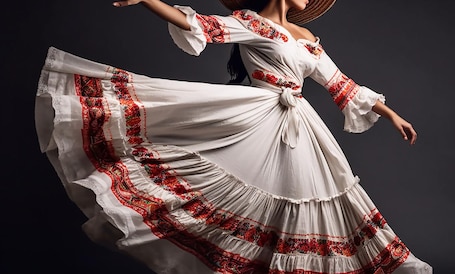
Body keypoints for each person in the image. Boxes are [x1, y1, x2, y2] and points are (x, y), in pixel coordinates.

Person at [34, 0, 433, 273]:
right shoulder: (252, 22)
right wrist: (148, 1)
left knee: (310, 199)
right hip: (257, 117)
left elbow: (341, 85)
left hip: (301, 127)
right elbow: (197, 25)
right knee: (248, 199)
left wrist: (391, 113)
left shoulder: (307, 39)